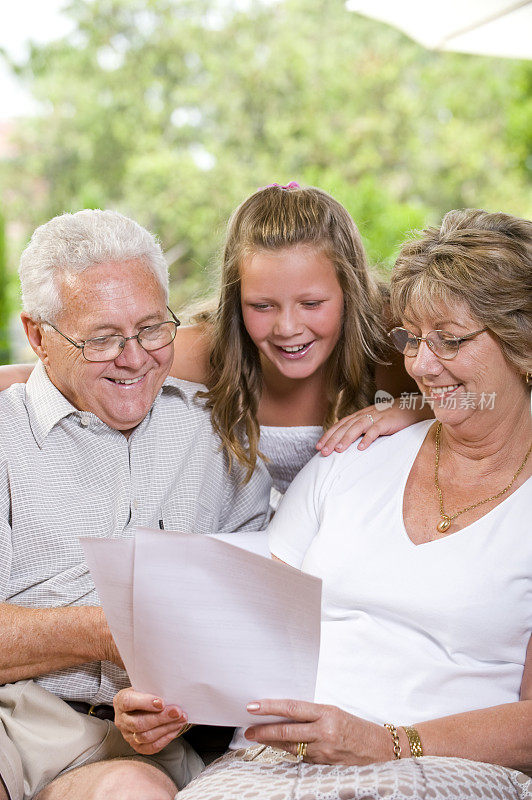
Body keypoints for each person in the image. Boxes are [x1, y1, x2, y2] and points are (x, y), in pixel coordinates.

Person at [114, 209, 532, 800]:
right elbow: (253, 638)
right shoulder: (351, 456)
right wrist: (169, 701)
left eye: (453, 341)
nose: (422, 365)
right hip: (268, 762)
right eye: (412, 340)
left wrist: (390, 741)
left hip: (437, 764)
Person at [0, 209, 271, 800]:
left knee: (133, 791)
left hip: (133, 746)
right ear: (39, 336)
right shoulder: (5, 433)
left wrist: (186, 702)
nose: (134, 357)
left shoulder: (217, 436)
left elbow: (251, 621)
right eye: (101, 338)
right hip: (9, 714)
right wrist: (109, 628)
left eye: (153, 329)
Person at [0, 184, 427, 496]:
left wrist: (416, 412)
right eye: (262, 306)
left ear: (350, 292)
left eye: (312, 303)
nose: (288, 328)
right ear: (236, 299)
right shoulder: (207, 350)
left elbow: (484, 399)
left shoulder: (393, 347)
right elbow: (45, 371)